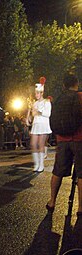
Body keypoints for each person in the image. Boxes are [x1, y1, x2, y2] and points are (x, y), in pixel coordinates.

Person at [47, 74, 82, 216]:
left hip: (62, 139)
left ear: (63, 85)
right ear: (77, 84)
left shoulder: (58, 99)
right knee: (81, 173)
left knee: (58, 171)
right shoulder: (79, 96)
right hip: (79, 139)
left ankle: (52, 201)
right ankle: (80, 207)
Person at [27, 77, 52, 172]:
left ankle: (41, 165)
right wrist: (29, 116)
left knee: (41, 144)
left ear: (41, 93)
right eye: (35, 93)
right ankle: (36, 163)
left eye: (37, 93)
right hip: (36, 125)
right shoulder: (34, 103)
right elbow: (33, 114)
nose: (36, 95)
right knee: (33, 144)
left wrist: (39, 111)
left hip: (43, 125)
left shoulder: (47, 102)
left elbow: (48, 114)